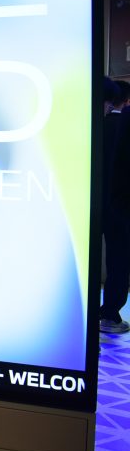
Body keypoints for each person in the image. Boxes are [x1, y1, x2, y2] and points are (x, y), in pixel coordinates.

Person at [103, 79, 130, 334]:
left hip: (90, 204)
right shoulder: (123, 125)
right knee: (118, 261)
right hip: (119, 207)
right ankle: (110, 313)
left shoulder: (94, 125)